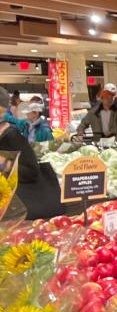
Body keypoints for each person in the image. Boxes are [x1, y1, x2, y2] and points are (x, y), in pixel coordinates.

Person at [0, 88, 64, 220]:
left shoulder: (11, 134)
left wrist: (5, 164)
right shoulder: (21, 126)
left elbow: (31, 171)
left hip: (17, 211)